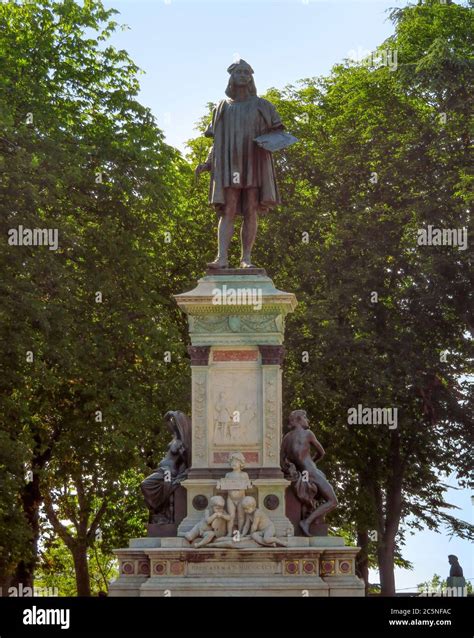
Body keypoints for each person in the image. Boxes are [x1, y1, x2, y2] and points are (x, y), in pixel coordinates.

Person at [195, 59, 284, 269]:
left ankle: (246, 259)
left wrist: (269, 142)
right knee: (229, 208)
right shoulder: (222, 107)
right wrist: (208, 163)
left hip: (254, 160)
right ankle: (222, 258)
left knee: (251, 208)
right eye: (239, 72)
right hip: (229, 164)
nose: (243, 75)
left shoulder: (263, 106)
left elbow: (279, 132)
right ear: (232, 77)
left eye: (247, 72)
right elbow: (217, 140)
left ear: (251, 77)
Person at [280, 409, 338, 536]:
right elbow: (321, 452)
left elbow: (282, 459)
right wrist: (312, 462)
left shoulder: (286, 438)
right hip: (311, 471)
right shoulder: (308, 434)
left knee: (321, 497)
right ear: (299, 420)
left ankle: (313, 519)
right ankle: (307, 521)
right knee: (333, 501)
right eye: (305, 418)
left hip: (301, 473)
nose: (308, 421)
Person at [224, 452, 251, 535]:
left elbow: (248, 485)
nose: (233, 464)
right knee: (231, 516)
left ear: (241, 463)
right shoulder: (228, 475)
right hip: (230, 499)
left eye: (236, 462)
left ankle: (240, 532)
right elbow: (224, 485)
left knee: (241, 517)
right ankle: (229, 533)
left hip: (241, 498)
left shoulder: (244, 475)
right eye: (232, 462)